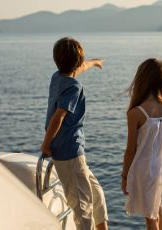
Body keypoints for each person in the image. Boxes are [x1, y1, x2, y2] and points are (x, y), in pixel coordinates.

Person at [41, 37, 108, 230]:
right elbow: (57, 118)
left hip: (74, 154)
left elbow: (79, 69)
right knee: (82, 210)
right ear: (77, 62)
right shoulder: (74, 87)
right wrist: (46, 144)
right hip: (69, 154)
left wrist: (95, 62)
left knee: (97, 194)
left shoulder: (57, 78)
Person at [121, 58, 162, 230]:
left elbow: (130, 150)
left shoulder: (136, 113)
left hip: (144, 170)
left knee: (150, 217)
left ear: (141, 80)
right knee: (161, 213)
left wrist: (124, 176)